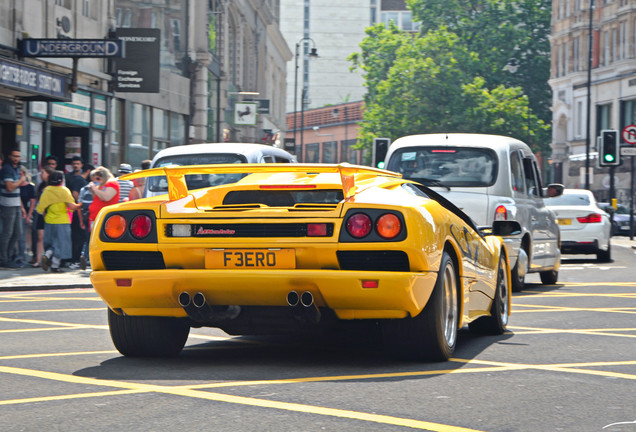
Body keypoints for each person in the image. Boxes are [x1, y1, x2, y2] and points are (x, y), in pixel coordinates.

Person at [36, 170, 81, 273]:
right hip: (62, 221)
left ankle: (47, 254)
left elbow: (40, 208)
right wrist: (81, 205)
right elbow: (72, 206)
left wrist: (45, 216)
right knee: (61, 244)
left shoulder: (47, 190)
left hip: (49, 221)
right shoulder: (64, 191)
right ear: (62, 180)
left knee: (51, 243)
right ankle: (55, 266)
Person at [0, 149, 27, 268]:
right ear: (10, 156)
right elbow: (10, 187)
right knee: (7, 233)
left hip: (15, 204)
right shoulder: (7, 169)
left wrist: (21, 206)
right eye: (14, 156)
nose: (16, 158)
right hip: (7, 205)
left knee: (18, 233)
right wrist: (21, 180)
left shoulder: (16, 169)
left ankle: (9, 256)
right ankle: (3, 258)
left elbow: (16, 190)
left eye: (18, 156)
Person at [67, 156, 88, 269]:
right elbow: (75, 195)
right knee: (77, 236)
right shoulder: (74, 178)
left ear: (81, 165)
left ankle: (75, 258)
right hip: (75, 210)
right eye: (74, 163)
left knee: (77, 236)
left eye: (78, 163)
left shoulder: (79, 179)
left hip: (75, 210)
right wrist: (80, 204)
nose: (76, 165)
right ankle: (74, 259)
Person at [31, 166, 54, 267]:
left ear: (48, 174)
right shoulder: (41, 185)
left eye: (43, 172)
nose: (41, 174)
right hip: (41, 213)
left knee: (50, 238)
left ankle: (49, 258)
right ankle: (39, 259)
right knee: (40, 237)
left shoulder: (53, 186)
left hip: (50, 213)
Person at [18, 166, 36, 266]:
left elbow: (33, 202)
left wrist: (29, 215)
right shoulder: (16, 185)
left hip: (25, 213)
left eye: (21, 174)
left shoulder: (30, 186)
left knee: (22, 236)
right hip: (18, 211)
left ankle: (21, 257)